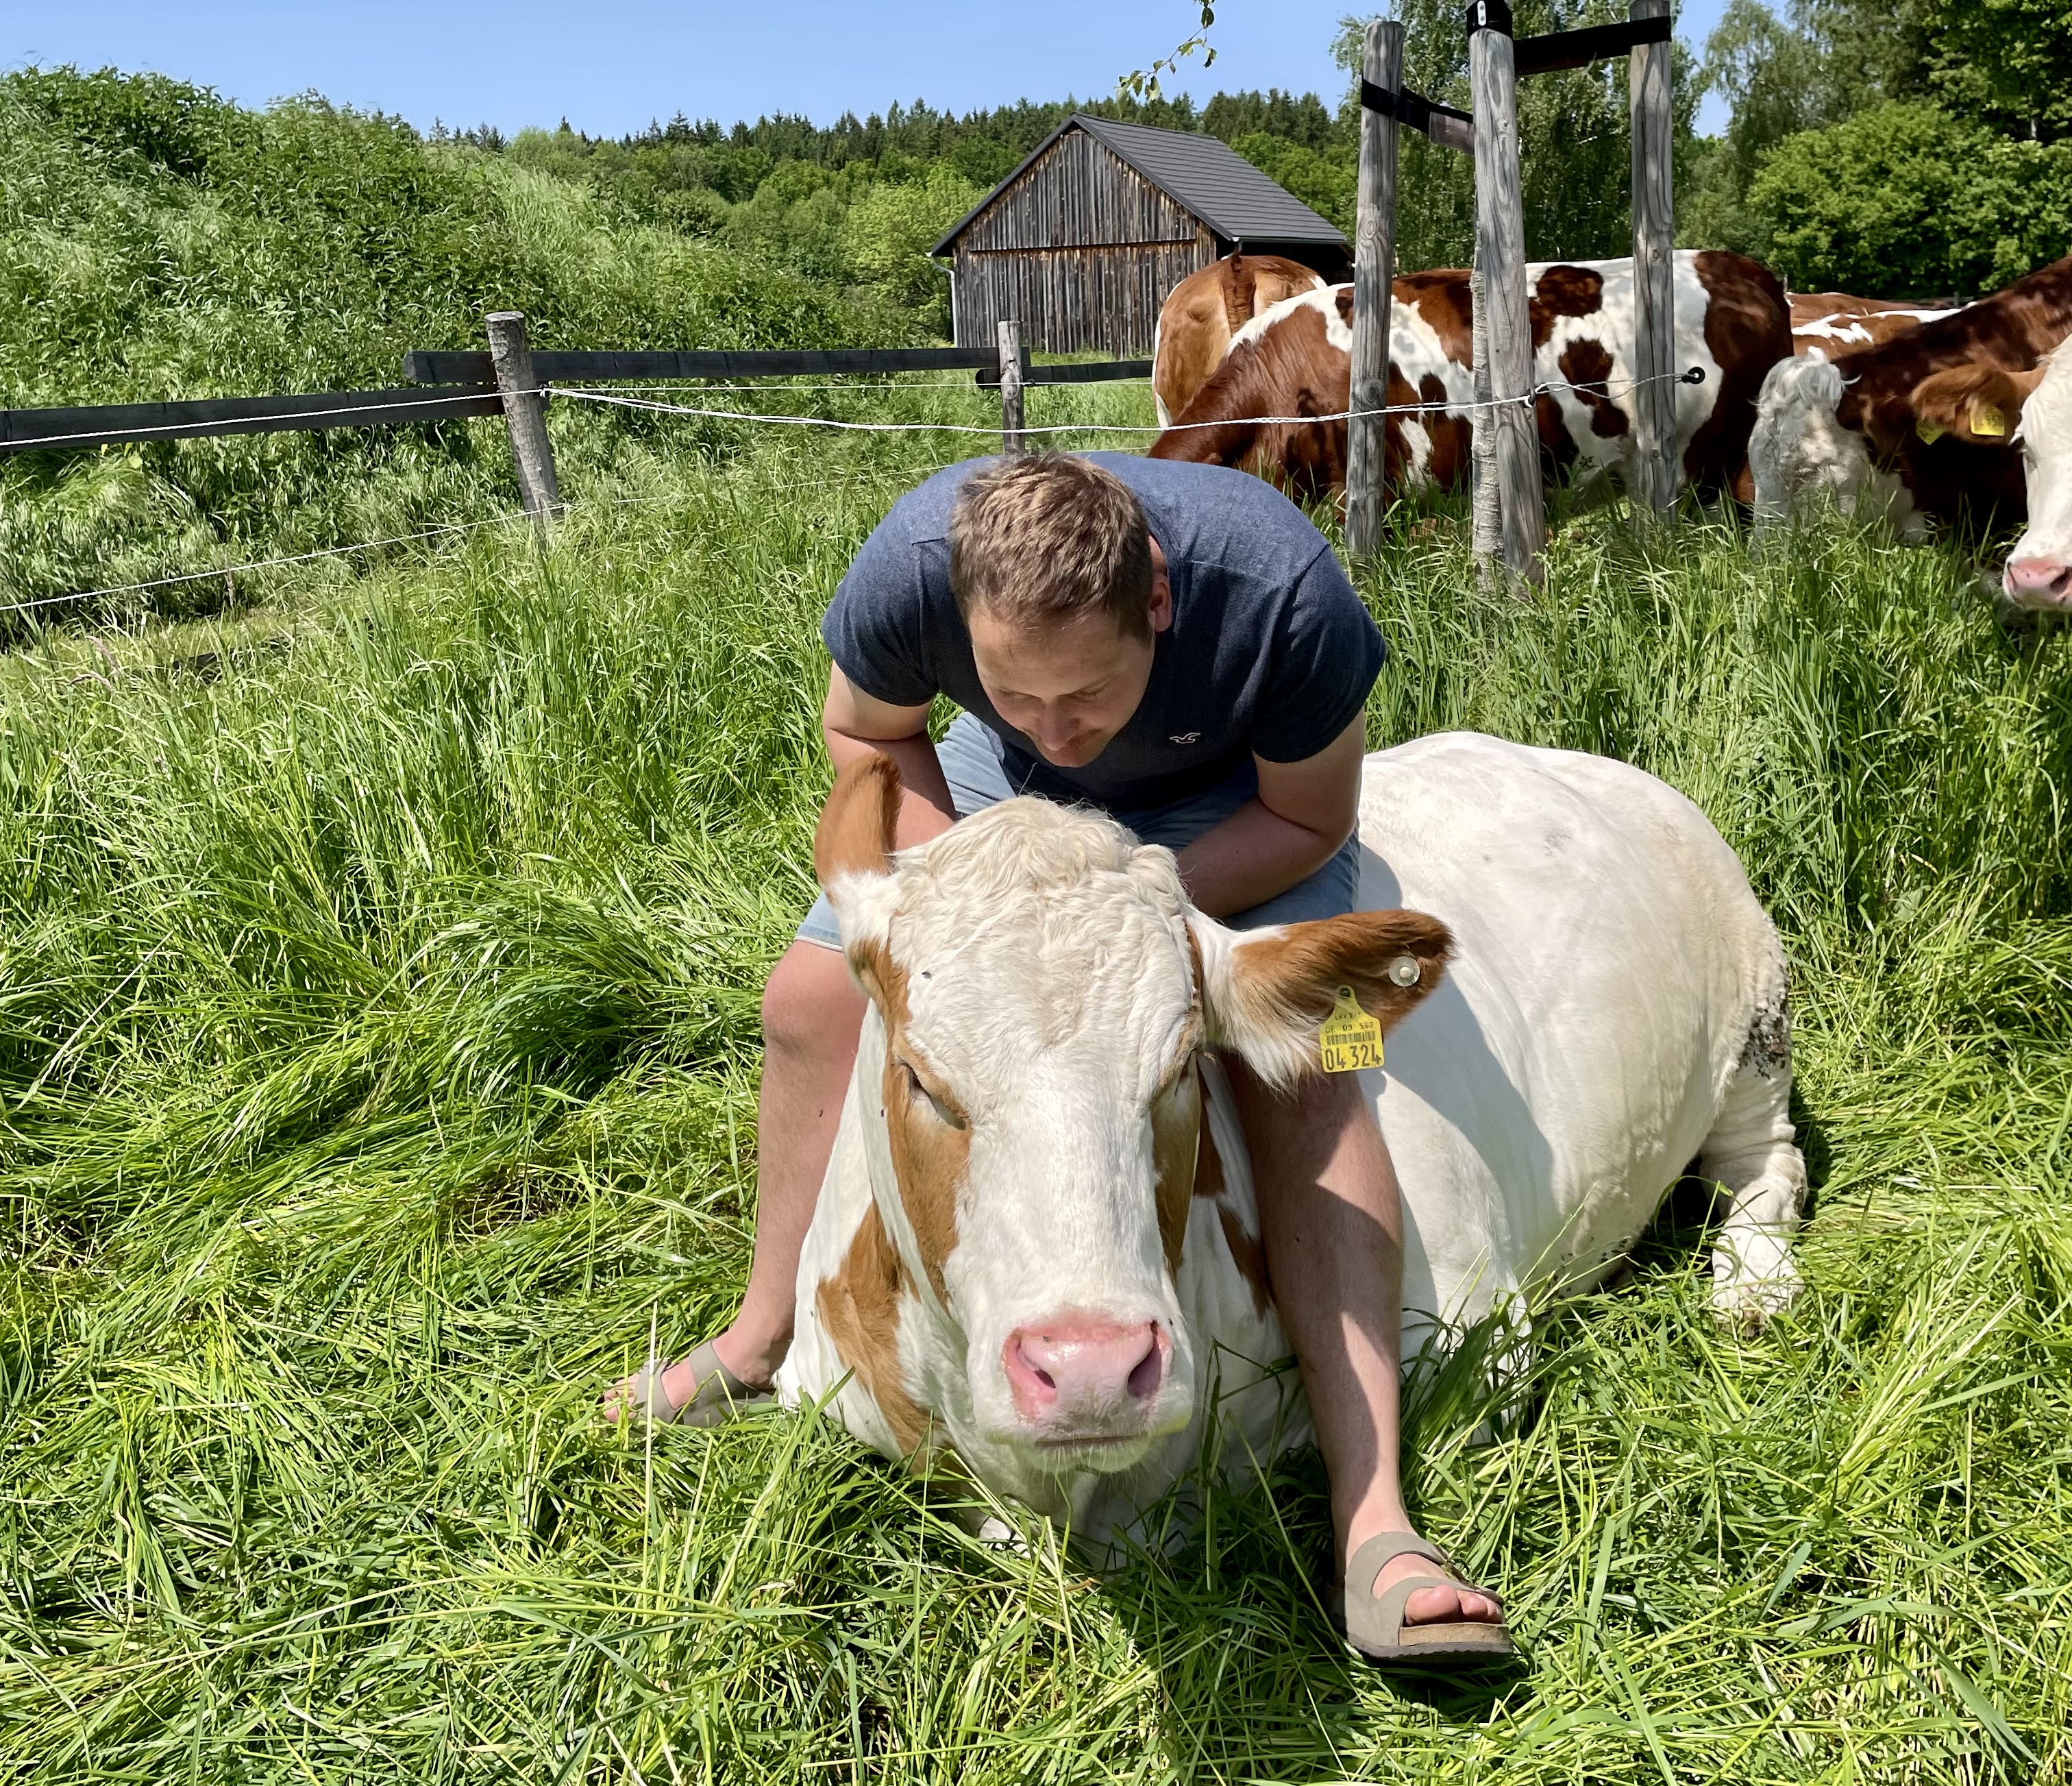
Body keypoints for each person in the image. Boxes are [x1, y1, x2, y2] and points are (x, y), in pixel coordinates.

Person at [606, 451, 1508, 1661]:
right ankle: (759, 1337)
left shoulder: (1282, 595)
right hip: (993, 809)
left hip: (1231, 815)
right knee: (804, 995)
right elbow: (866, 734)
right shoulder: (911, 570)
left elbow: (1312, 818)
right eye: (1012, 686)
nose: (1055, 724)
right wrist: (984, 900)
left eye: (1083, 691)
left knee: (1316, 1073)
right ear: (960, 611)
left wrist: (1117, 921)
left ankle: (1374, 1518)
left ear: (1158, 602)